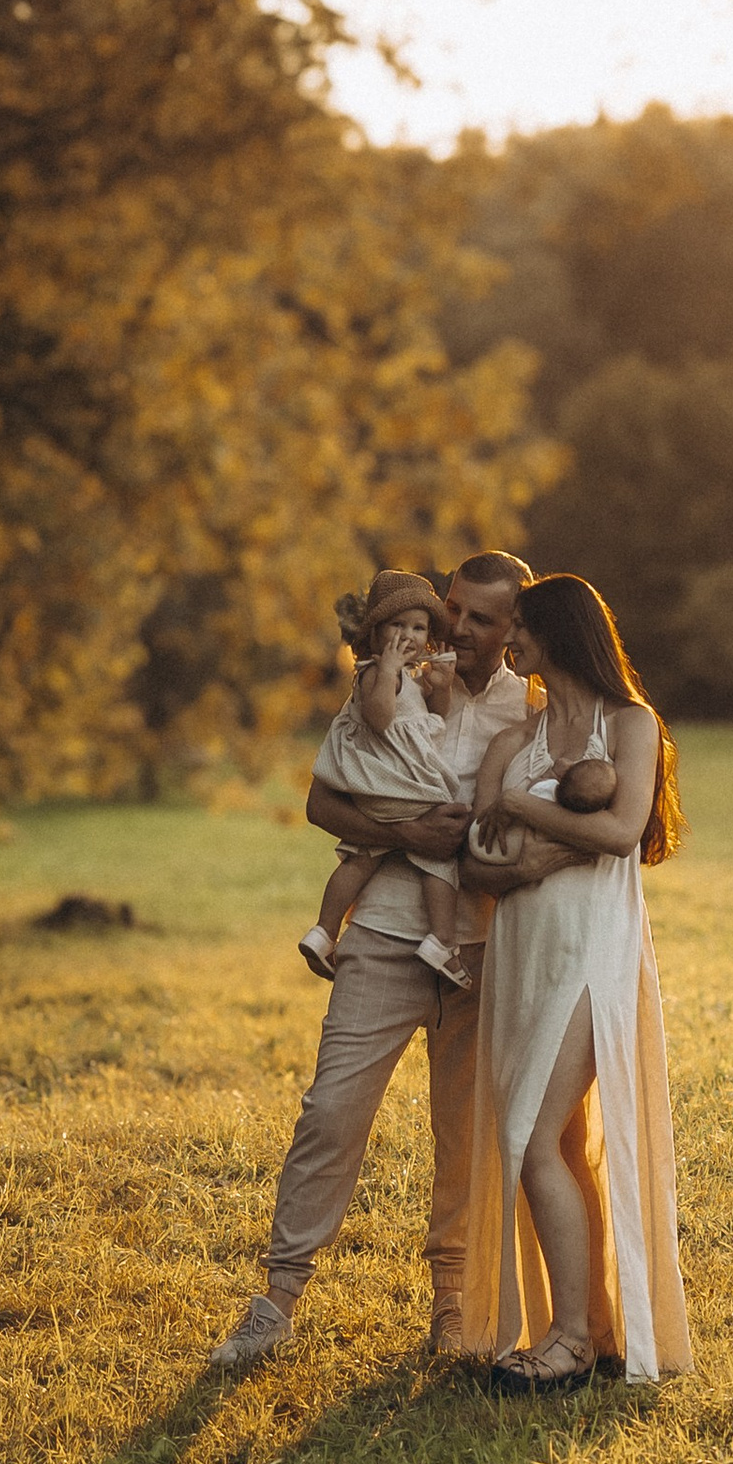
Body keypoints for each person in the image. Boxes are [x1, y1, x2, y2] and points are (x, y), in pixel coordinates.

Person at [210, 551, 560, 1375]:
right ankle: (277, 1301)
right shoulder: (389, 682)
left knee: (465, 1138)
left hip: (484, 955)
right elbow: (321, 799)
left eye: (483, 619)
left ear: (516, 630)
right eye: (454, 612)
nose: (460, 631)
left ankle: (452, 1307)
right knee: (331, 1111)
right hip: (383, 938)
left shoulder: (536, 711)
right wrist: (410, 834)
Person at [462, 573, 691, 1392]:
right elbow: (479, 861)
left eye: (518, 626)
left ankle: (563, 1342)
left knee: (529, 1135)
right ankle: (591, 1329)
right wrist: (559, 839)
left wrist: (527, 820)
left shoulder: (631, 723)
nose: (506, 640)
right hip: (522, 958)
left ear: (556, 632)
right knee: (553, 1142)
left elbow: (625, 829)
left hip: (592, 954)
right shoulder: (509, 745)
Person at [298, 568, 475, 988]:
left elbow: (435, 719)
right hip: (398, 788)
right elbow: (380, 720)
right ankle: (443, 942)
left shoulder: (403, 677)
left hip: (380, 793)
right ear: (375, 633)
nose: (409, 636)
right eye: (397, 625)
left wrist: (442, 686)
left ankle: (324, 931)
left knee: (361, 855)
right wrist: (391, 668)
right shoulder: (377, 672)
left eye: (418, 627)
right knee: (440, 856)